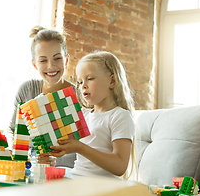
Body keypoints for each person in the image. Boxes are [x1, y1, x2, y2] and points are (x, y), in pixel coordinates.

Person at [50, 51, 136, 179]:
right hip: (77, 180)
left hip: (102, 188)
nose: (83, 86)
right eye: (79, 82)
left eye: (89, 79)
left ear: (112, 81)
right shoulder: (83, 114)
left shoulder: (119, 116)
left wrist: (80, 148)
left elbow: (120, 167)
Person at [4, 25, 76, 167]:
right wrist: (15, 151)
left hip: (64, 176)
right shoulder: (26, 90)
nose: (51, 66)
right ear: (35, 64)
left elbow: (84, 146)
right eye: (43, 60)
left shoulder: (80, 96)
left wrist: (57, 161)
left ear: (66, 60)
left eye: (57, 58)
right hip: (29, 169)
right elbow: (12, 130)